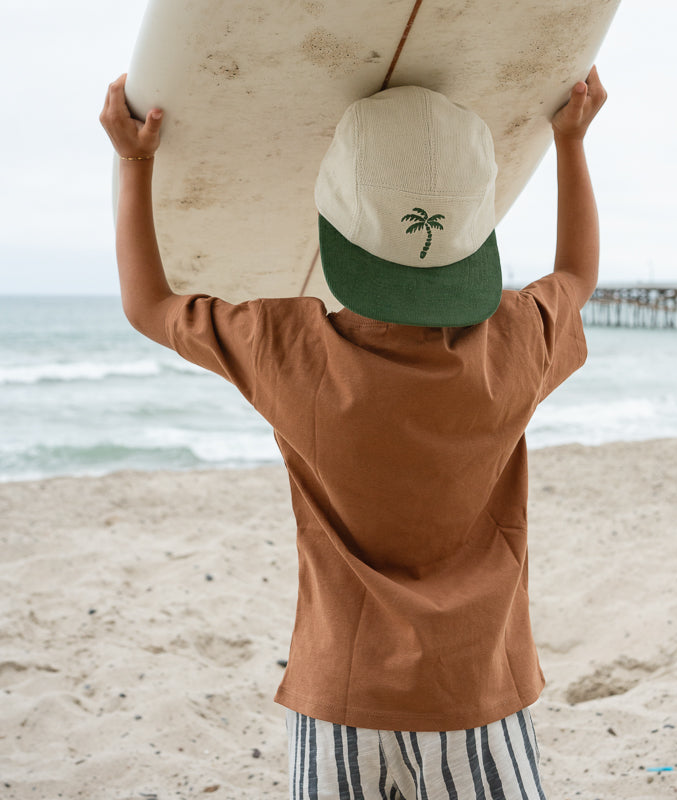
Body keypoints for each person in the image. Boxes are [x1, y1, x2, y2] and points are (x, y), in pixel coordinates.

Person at [100, 66, 606, 800]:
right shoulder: (517, 342)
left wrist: (135, 161)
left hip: (339, 700)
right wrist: (570, 142)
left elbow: (148, 305)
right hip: (479, 697)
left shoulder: (288, 348)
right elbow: (578, 275)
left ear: (336, 228)